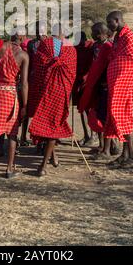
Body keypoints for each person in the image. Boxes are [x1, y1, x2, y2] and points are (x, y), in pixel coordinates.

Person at [29, 27, 77, 177]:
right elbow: (72, 72)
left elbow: (38, 66)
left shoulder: (45, 44)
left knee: (47, 123)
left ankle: (47, 162)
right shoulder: (71, 49)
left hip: (44, 89)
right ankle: (49, 161)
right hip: (61, 91)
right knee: (53, 124)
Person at [0, 34, 29, 178]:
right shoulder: (23, 55)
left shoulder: (0, 47)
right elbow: (24, 84)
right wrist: (25, 105)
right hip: (10, 94)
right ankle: (9, 169)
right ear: (22, 37)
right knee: (12, 132)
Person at [105, 11, 133, 169]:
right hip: (117, 83)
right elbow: (114, 56)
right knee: (119, 116)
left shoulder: (128, 36)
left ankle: (131, 156)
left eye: (110, 22)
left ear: (117, 20)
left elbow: (131, 59)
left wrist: (116, 73)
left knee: (123, 116)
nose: (108, 26)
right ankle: (125, 155)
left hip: (125, 82)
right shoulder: (119, 36)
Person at [79, 23, 119, 157]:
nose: (92, 34)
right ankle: (102, 145)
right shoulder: (95, 46)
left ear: (100, 33)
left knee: (106, 116)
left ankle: (111, 146)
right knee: (98, 115)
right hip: (97, 85)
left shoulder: (109, 46)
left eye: (94, 32)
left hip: (106, 85)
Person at [20, 21, 47, 147]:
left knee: (42, 111)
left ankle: (42, 140)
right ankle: (23, 137)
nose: (38, 33)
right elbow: (29, 61)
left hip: (46, 81)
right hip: (32, 78)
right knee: (27, 107)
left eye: (40, 30)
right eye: (36, 31)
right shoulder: (31, 43)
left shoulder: (50, 43)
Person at [72, 31, 95, 146]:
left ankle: (92, 135)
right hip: (77, 83)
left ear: (85, 39)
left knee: (89, 110)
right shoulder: (74, 48)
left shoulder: (91, 47)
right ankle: (86, 135)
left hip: (88, 82)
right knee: (81, 110)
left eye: (81, 40)